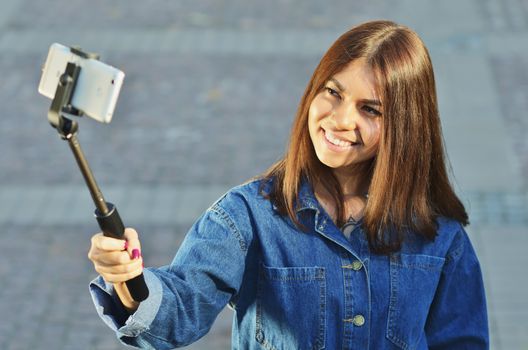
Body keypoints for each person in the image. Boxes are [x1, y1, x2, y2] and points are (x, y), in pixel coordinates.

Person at [88, 20, 489, 349]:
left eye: (370, 110)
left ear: (405, 127)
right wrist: (127, 281)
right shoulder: (247, 217)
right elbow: (178, 313)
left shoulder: (440, 238)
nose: (339, 119)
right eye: (333, 92)